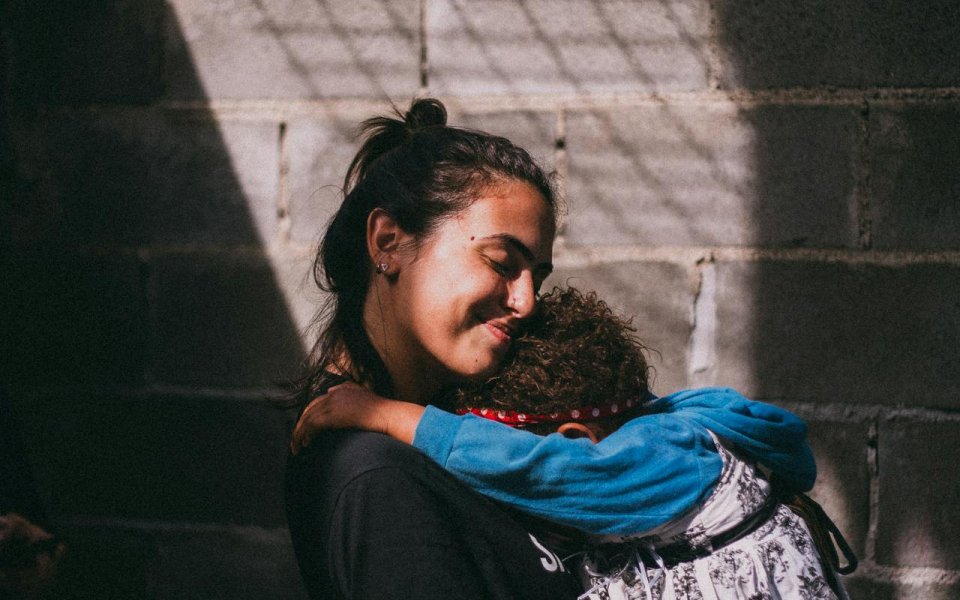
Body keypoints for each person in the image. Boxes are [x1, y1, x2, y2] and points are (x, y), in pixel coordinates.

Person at [291, 287, 851, 600]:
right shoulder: (660, 442)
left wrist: (397, 417)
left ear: (578, 442)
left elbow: (543, 470)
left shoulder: (660, 460)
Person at [284, 97, 583, 599]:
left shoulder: (457, 425)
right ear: (388, 242)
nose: (528, 303)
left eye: (538, 276)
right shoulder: (378, 479)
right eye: (502, 262)